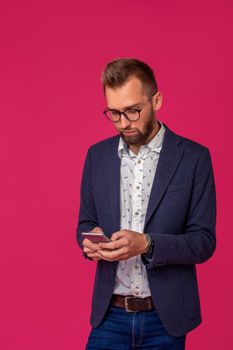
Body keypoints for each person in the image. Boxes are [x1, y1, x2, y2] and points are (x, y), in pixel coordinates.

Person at [76, 58, 216, 350]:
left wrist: (148, 244)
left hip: (165, 319)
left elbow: (203, 242)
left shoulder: (194, 158)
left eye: (132, 110)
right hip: (109, 315)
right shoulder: (96, 157)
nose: (124, 122)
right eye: (114, 113)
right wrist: (90, 243)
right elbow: (85, 224)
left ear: (157, 100)